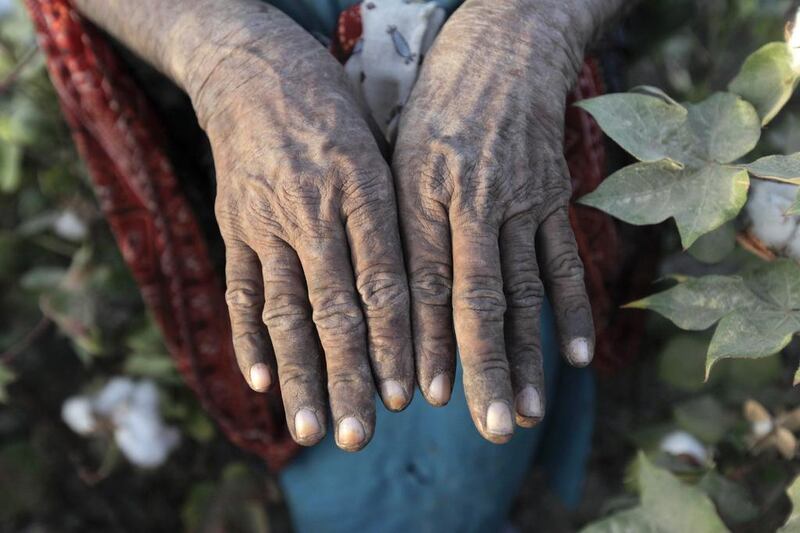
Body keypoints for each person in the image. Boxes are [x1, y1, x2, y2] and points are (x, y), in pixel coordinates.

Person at [27, 0, 628, 530]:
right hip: (229, 65)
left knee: (481, 358)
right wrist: (226, 55)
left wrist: (529, 26)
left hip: (503, 84)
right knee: (338, 385)